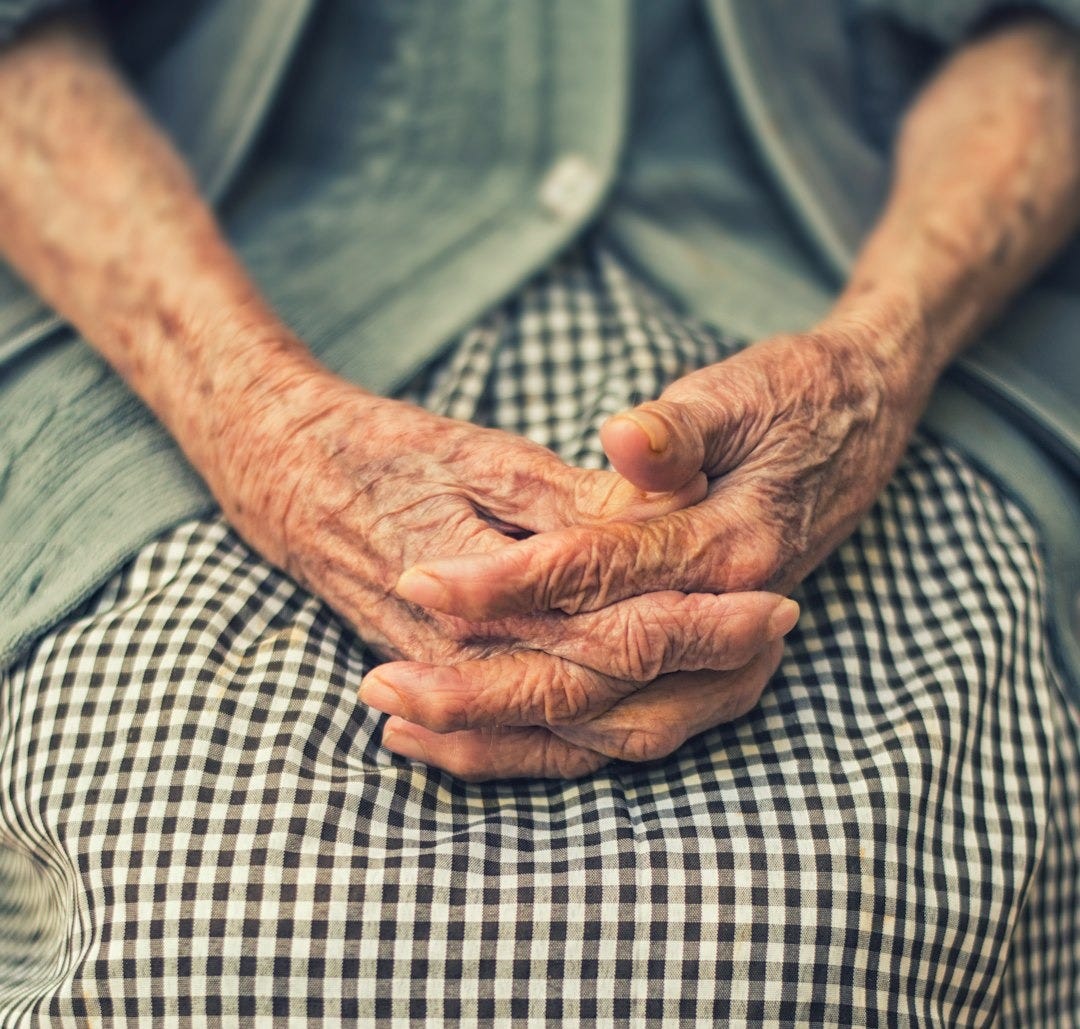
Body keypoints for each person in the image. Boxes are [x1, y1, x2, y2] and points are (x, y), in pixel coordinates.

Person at [0, 0, 1077, 1022]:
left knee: (821, 937)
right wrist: (255, 415)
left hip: (868, 313)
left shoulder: (866, 374)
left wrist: (879, 363)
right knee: (200, 937)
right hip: (184, 320)